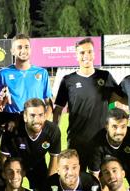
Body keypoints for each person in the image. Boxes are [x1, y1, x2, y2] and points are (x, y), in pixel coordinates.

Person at [53, 38, 125, 170]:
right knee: (77, 180)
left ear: (94, 53)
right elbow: (58, 109)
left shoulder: (105, 76)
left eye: (89, 52)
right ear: (76, 55)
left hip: (102, 141)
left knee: (102, 181)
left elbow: (120, 99)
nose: (86, 56)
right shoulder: (68, 80)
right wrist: (54, 131)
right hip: (76, 141)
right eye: (81, 53)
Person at [0, 98, 61, 191]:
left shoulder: (52, 131)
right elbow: (4, 157)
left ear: (45, 116)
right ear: (25, 117)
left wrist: (50, 185)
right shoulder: (12, 128)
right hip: (16, 163)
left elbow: (54, 160)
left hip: (37, 163)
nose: (37, 120)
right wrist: (6, 182)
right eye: (32, 115)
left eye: (40, 115)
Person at [0, 33, 52, 115]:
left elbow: (48, 102)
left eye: (26, 47)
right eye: (19, 47)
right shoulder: (3, 74)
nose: (23, 50)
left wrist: (44, 120)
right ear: (12, 51)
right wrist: (0, 102)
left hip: (34, 123)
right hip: (12, 122)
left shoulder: (42, 73)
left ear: (30, 50)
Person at [88, 108, 130, 186]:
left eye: (123, 127)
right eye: (114, 127)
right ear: (106, 126)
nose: (119, 132)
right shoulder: (97, 143)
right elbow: (95, 176)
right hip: (109, 173)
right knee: (103, 184)